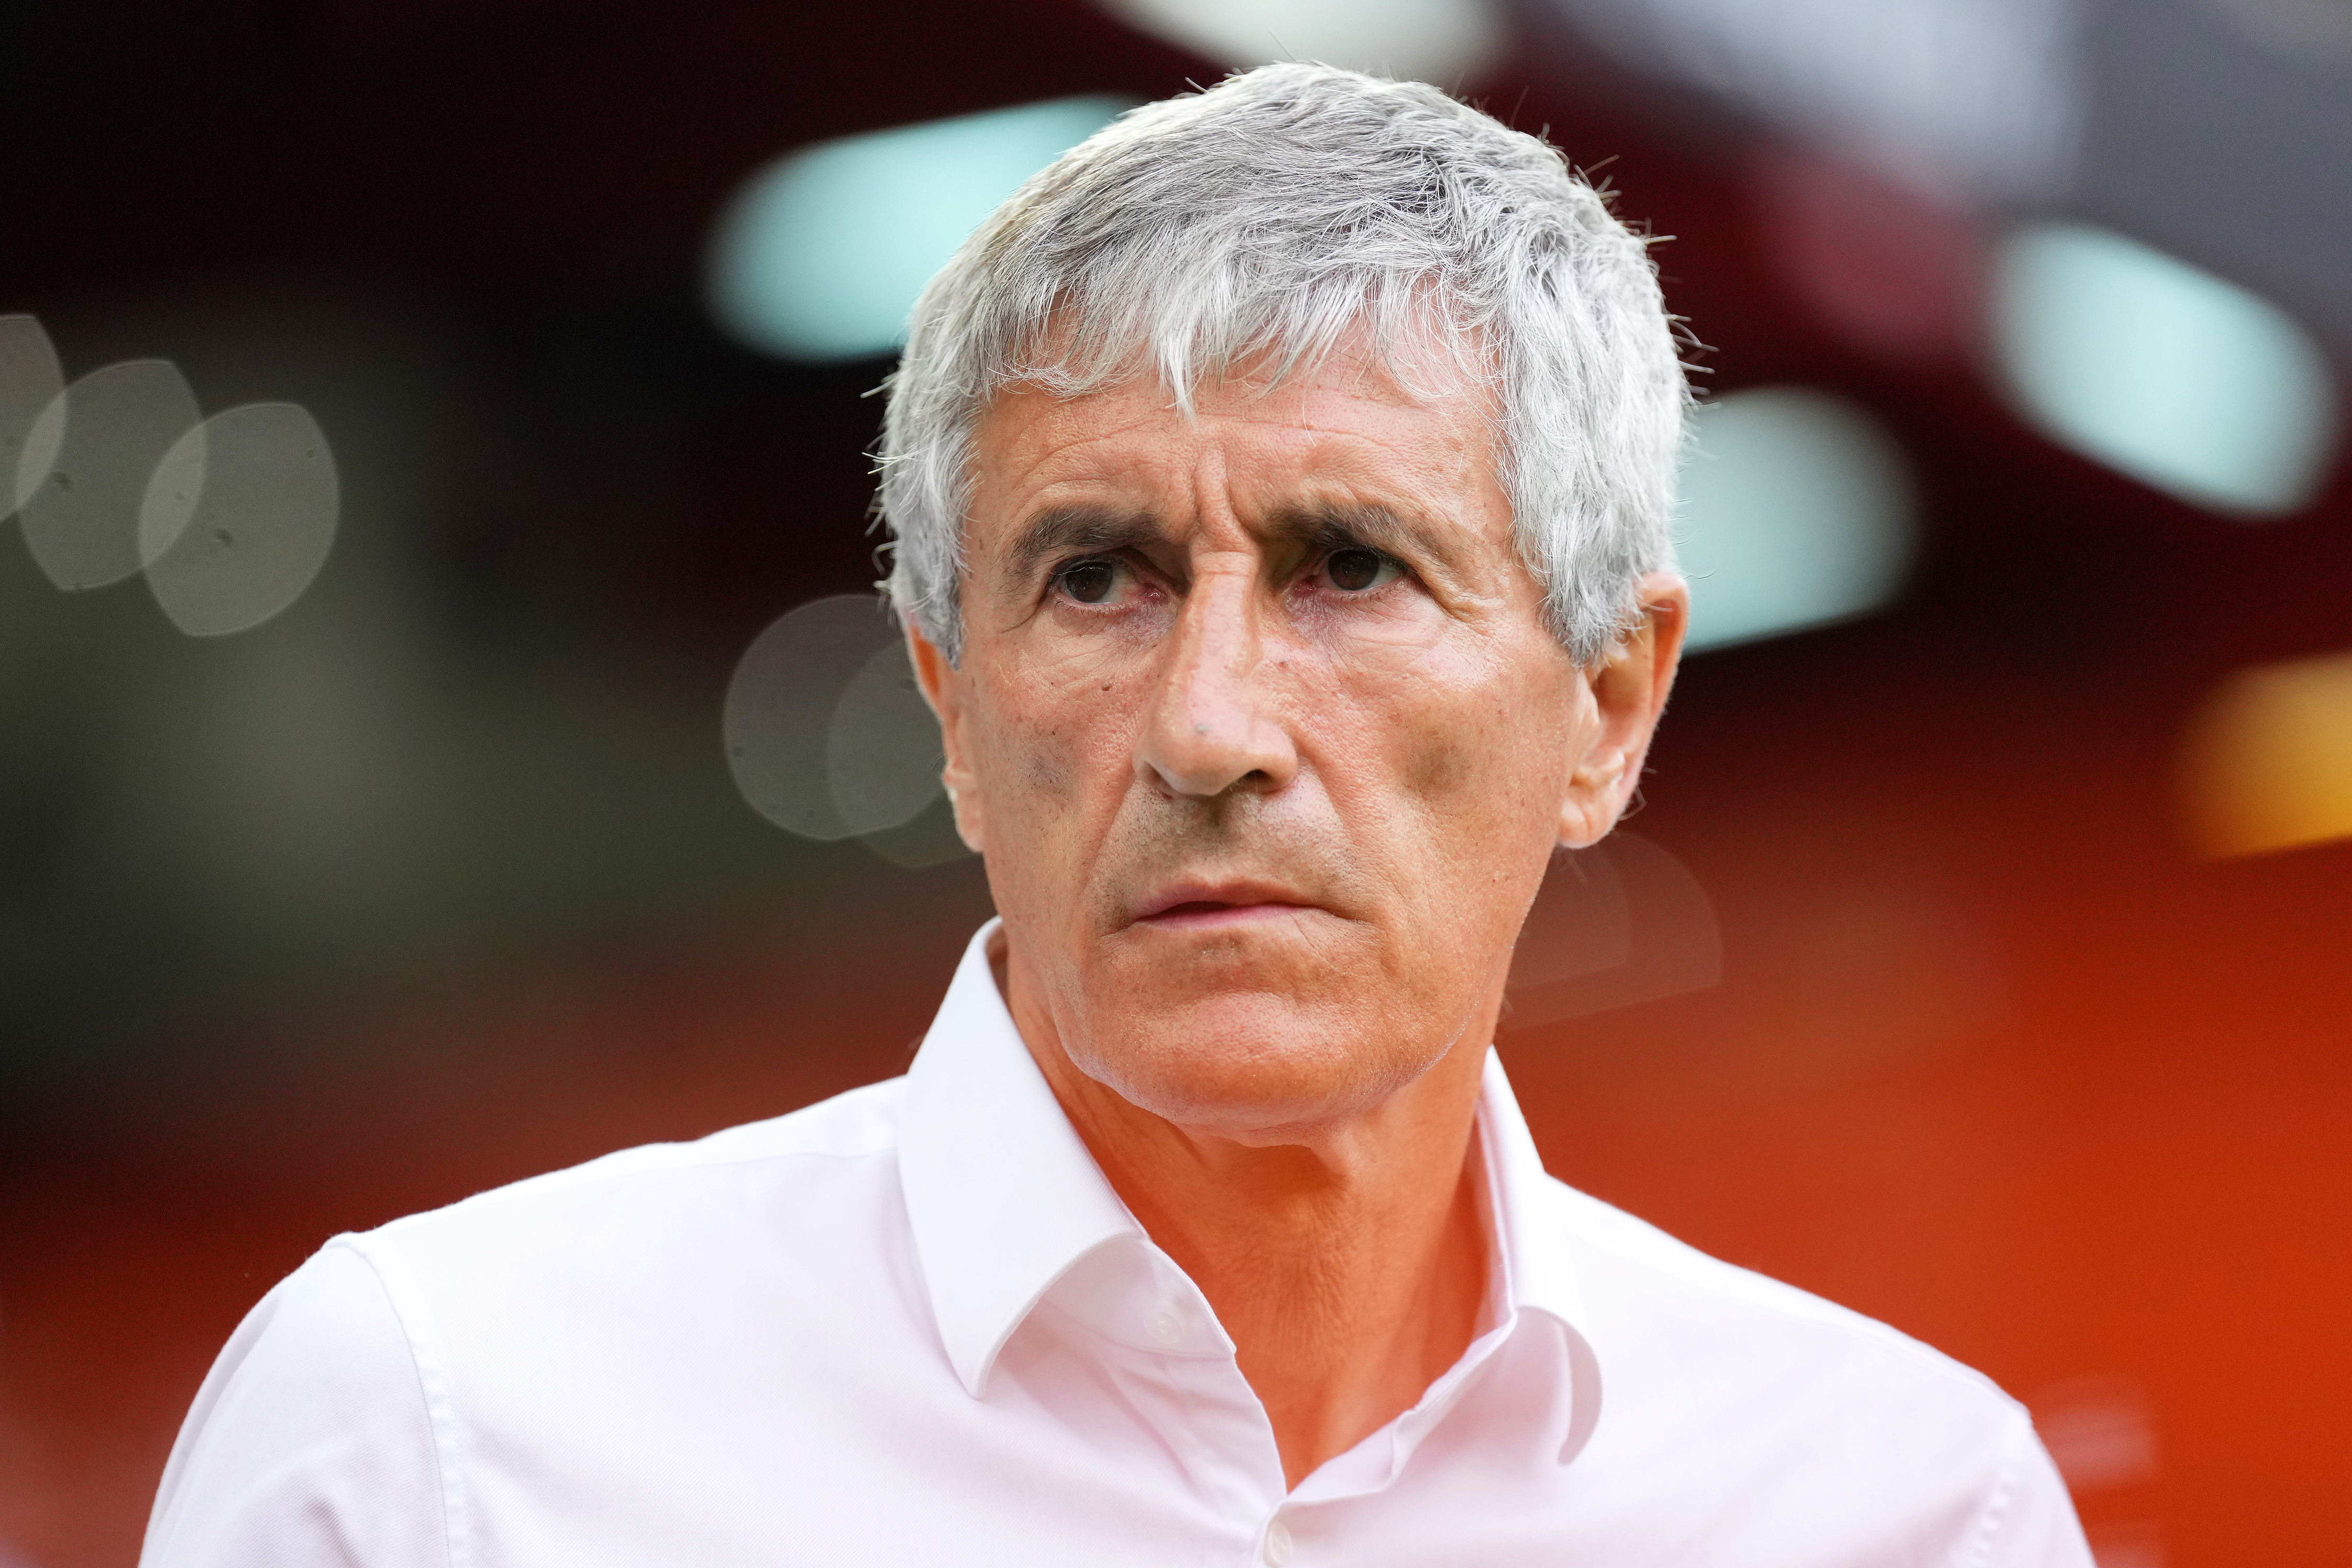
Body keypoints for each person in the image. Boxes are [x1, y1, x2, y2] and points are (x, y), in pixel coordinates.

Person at [142, 64, 2092, 1565]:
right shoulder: (437, 1439)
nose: (1214, 724)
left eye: (1349, 565)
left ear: (1607, 705)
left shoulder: (1897, 1508)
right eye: (1095, 576)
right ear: (950, 709)